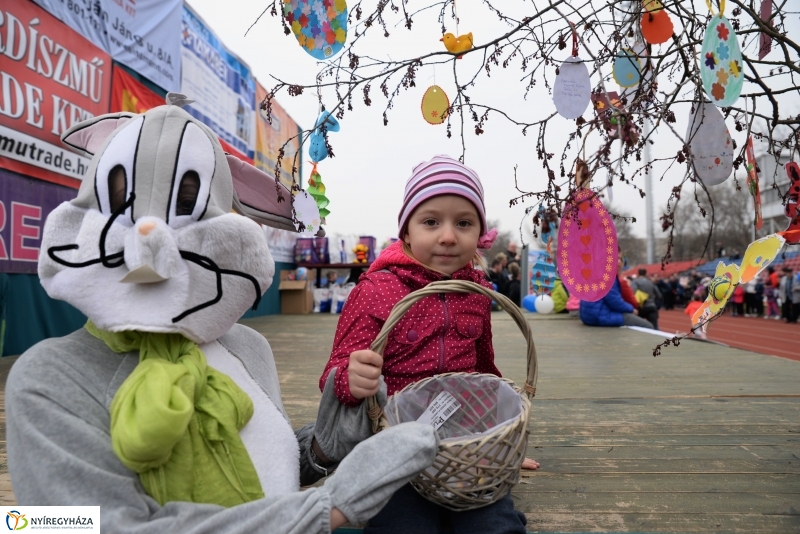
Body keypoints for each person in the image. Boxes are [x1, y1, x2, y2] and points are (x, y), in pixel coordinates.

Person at [6, 101, 438, 533]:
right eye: (122, 198)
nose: (152, 236)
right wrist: (328, 510)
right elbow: (75, 525)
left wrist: (324, 446)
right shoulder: (47, 377)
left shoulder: (246, 346)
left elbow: (269, 469)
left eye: (190, 201)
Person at [318, 155, 535, 534]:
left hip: (464, 449)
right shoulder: (377, 291)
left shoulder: (476, 294)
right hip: (392, 448)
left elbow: (485, 372)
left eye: (464, 223)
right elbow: (333, 373)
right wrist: (350, 379)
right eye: (431, 221)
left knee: (494, 524)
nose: (448, 236)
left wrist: (499, 441)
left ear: (480, 233)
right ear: (406, 233)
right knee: (405, 525)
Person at [579, 256, 654, 329]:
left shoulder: (595, 272)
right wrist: (631, 309)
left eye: (620, 259)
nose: (619, 262)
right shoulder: (608, 275)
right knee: (648, 326)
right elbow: (615, 302)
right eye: (616, 258)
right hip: (599, 316)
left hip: (588, 316)